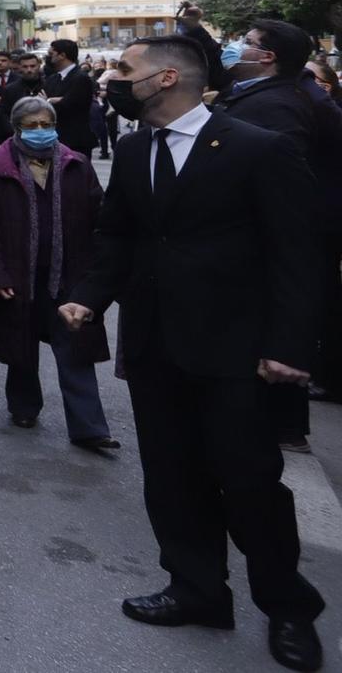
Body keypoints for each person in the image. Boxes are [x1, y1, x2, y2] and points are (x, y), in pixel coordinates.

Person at [60, 36, 326, 672]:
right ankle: (198, 589)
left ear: (166, 79)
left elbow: (300, 256)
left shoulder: (259, 148)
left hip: (235, 352)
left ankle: (288, 607)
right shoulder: (130, 150)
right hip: (156, 347)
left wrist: (289, 346)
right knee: (172, 478)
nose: (114, 79)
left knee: (251, 483)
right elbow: (119, 234)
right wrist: (89, 296)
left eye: (125, 70)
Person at [215, 20, 342, 456]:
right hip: (286, 236)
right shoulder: (272, 95)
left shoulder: (276, 107)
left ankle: (279, 425)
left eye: (246, 43)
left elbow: (279, 184)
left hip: (275, 240)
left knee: (275, 326)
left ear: (267, 57)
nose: (236, 47)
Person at [0, 96, 116, 450]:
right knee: (21, 344)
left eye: (46, 125)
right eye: (31, 126)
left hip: (69, 274)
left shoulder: (75, 164)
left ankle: (89, 428)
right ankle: (23, 406)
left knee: (74, 346)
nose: (40, 132)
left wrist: (97, 270)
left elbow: (100, 216)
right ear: (17, 127)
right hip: (18, 275)